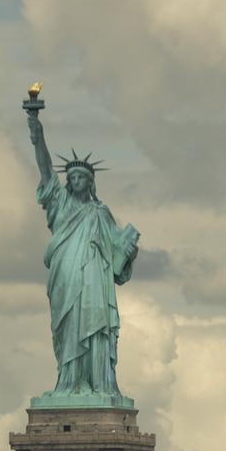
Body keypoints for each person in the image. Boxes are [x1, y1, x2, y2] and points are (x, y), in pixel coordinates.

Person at [26, 108, 140, 398]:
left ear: (91, 183)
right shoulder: (60, 204)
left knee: (94, 327)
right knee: (69, 327)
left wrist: (128, 247)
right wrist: (37, 135)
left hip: (94, 280)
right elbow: (45, 169)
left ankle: (98, 383)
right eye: (72, 177)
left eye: (81, 178)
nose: (76, 181)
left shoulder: (101, 213)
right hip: (66, 276)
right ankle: (70, 383)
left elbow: (118, 255)